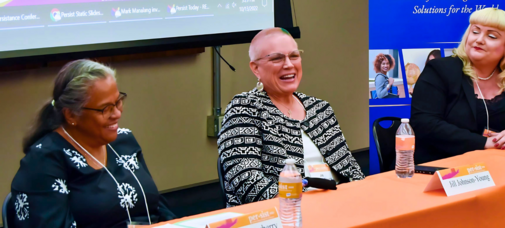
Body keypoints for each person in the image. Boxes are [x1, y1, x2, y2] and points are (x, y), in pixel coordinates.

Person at [9, 60, 176, 227]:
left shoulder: (124, 141)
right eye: (105, 108)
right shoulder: (44, 162)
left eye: (118, 102)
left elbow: (155, 205)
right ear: (71, 115)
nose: (117, 113)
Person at [217, 28, 365, 208]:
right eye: (277, 58)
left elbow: (352, 170)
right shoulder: (244, 109)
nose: (288, 64)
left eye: (294, 56)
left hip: (339, 207)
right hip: (282, 215)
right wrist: (303, 205)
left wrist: (359, 202)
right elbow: (247, 182)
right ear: (255, 68)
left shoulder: (320, 108)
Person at [410, 8, 505, 164]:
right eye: (475, 32)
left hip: (504, 164)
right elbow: (424, 123)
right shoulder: (440, 70)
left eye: (491, 36)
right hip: (446, 166)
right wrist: (484, 143)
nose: (479, 40)